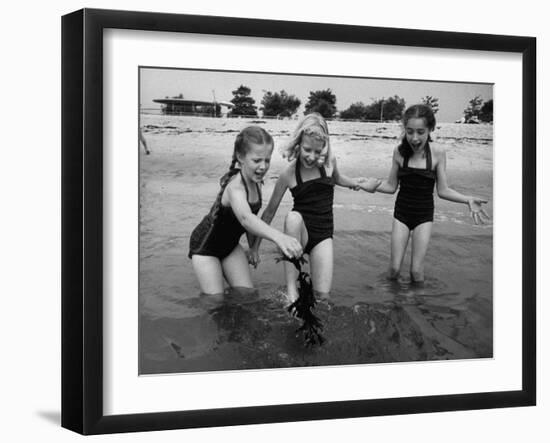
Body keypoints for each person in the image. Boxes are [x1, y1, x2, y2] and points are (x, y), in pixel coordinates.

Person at [251, 113, 380, 303]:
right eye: (307, 149)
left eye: (317, 151)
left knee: (322, 298)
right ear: (298, 143)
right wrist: (255, 247)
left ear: (324, 148)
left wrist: (360, 184)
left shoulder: (328, 164)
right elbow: (269, 212)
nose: (311, 157)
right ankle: (291, 292)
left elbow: (338, 179)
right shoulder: (289, 173)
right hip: (298, 234)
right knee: (293, 217)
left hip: (323, 235)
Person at [361, 104, 490, 283]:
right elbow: (391, 186)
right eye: (410, 131)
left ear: (430, 129)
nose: (414, 138)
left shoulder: (437, 153)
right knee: (394, 269)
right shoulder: (399, 152)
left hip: (424, 216)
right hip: (402, 215)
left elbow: (443, 190)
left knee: (416, 272)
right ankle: (393, 305)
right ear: (404, 130)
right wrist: (371, 185)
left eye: (420, 132)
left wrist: (467, 199)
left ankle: (417, 308)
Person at [188, 126, 303, 295]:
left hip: (230, 246)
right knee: (216, 302)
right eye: (257, 161)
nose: (263, 166)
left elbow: (252, 223)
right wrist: (279, 237)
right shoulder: (235, 188)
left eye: (267, 160)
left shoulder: (256, 183)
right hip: (206, 248)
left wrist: (253, 248)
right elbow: (246, 219)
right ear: (241, 157)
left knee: (248, 295)